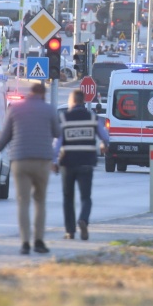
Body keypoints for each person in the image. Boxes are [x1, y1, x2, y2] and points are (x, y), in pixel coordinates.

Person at [0, 82, 60, 255]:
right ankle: (39, 241)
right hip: (42, 160)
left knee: (23, 202)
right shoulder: (49, 110)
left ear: (30, 94)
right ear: (43, 95)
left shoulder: (16, 109)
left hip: (20, 160)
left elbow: (4, 137)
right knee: (40, 201)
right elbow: (57, 133)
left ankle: (25, 243)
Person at [53, 90, 109, 240]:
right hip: (86, 162)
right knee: (86, 197)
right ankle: (83, 220)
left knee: (68, 197)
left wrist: (54, 161)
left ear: (72, 101)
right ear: (83, 101)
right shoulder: (92, 117)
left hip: (68, 163)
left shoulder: (64, 118)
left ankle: (70, 231)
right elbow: (104, 136)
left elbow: (58, 143)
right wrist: (104, 144)